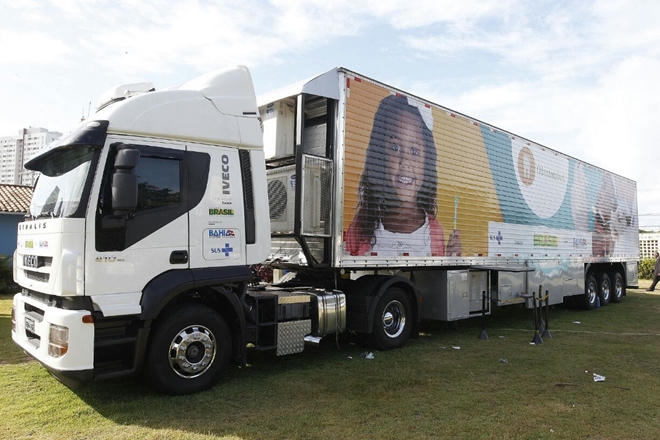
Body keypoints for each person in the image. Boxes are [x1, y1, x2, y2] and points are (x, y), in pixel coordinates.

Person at [345, 94, 461, 256]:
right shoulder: (361, 226)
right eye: (395, 148)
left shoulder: (434, 231)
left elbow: (434, 272)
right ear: (380, 157)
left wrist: (449, 260)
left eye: (414, 151)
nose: (405, 161)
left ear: (426, 162)